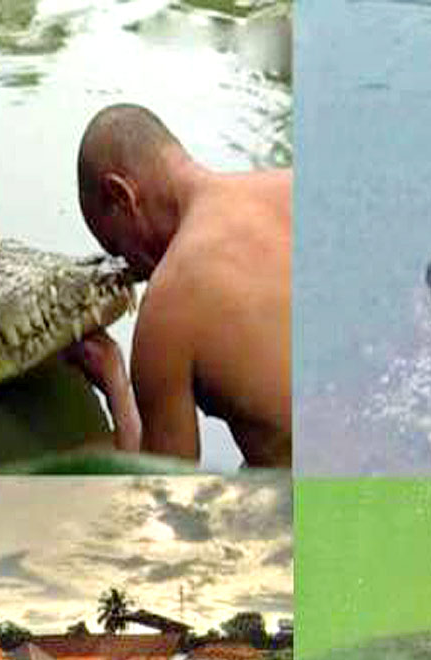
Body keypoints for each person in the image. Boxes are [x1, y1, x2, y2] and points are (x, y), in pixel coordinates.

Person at [67, 104, 292, 468]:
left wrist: (115, 382)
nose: (130, 269)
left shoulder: (169, 308)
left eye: (117, 247)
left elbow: (163, 501)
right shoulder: (291, 184)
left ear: (122, 196)